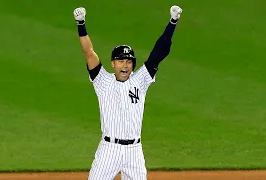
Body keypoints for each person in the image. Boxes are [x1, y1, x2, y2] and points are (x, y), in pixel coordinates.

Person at [73, 5, 183, 180]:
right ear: (112, 64)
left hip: (134, 152)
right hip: (109, 150)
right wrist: (81, 24)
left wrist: (173, 23)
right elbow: (89, 53)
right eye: (121, 61)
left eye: (129, 62)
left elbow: (159, 52)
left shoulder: (141, 80)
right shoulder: (102, 81)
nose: (125, 65)